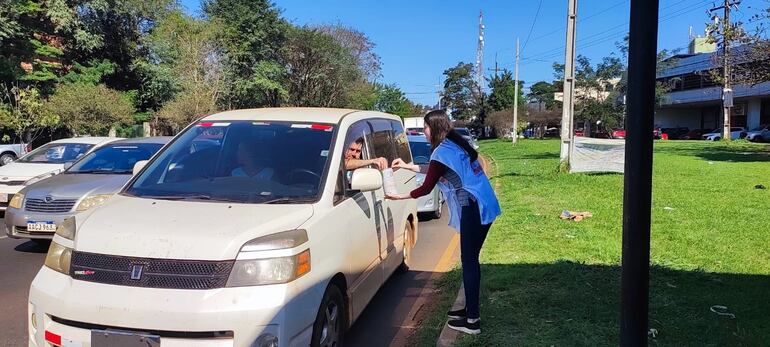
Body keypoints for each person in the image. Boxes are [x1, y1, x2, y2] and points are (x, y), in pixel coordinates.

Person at [387, 110, 501, 335]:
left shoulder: (441, 151)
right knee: (471, 260)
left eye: (426, 127)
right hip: (483, 203)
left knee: (469, 261)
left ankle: (472, 321)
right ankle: (469, 310)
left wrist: (398, 196)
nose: (424, 131)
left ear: (435, 128)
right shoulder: (453, 144)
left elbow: (426, 187)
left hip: (473, 207)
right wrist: (408, 166)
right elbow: (434, 172)